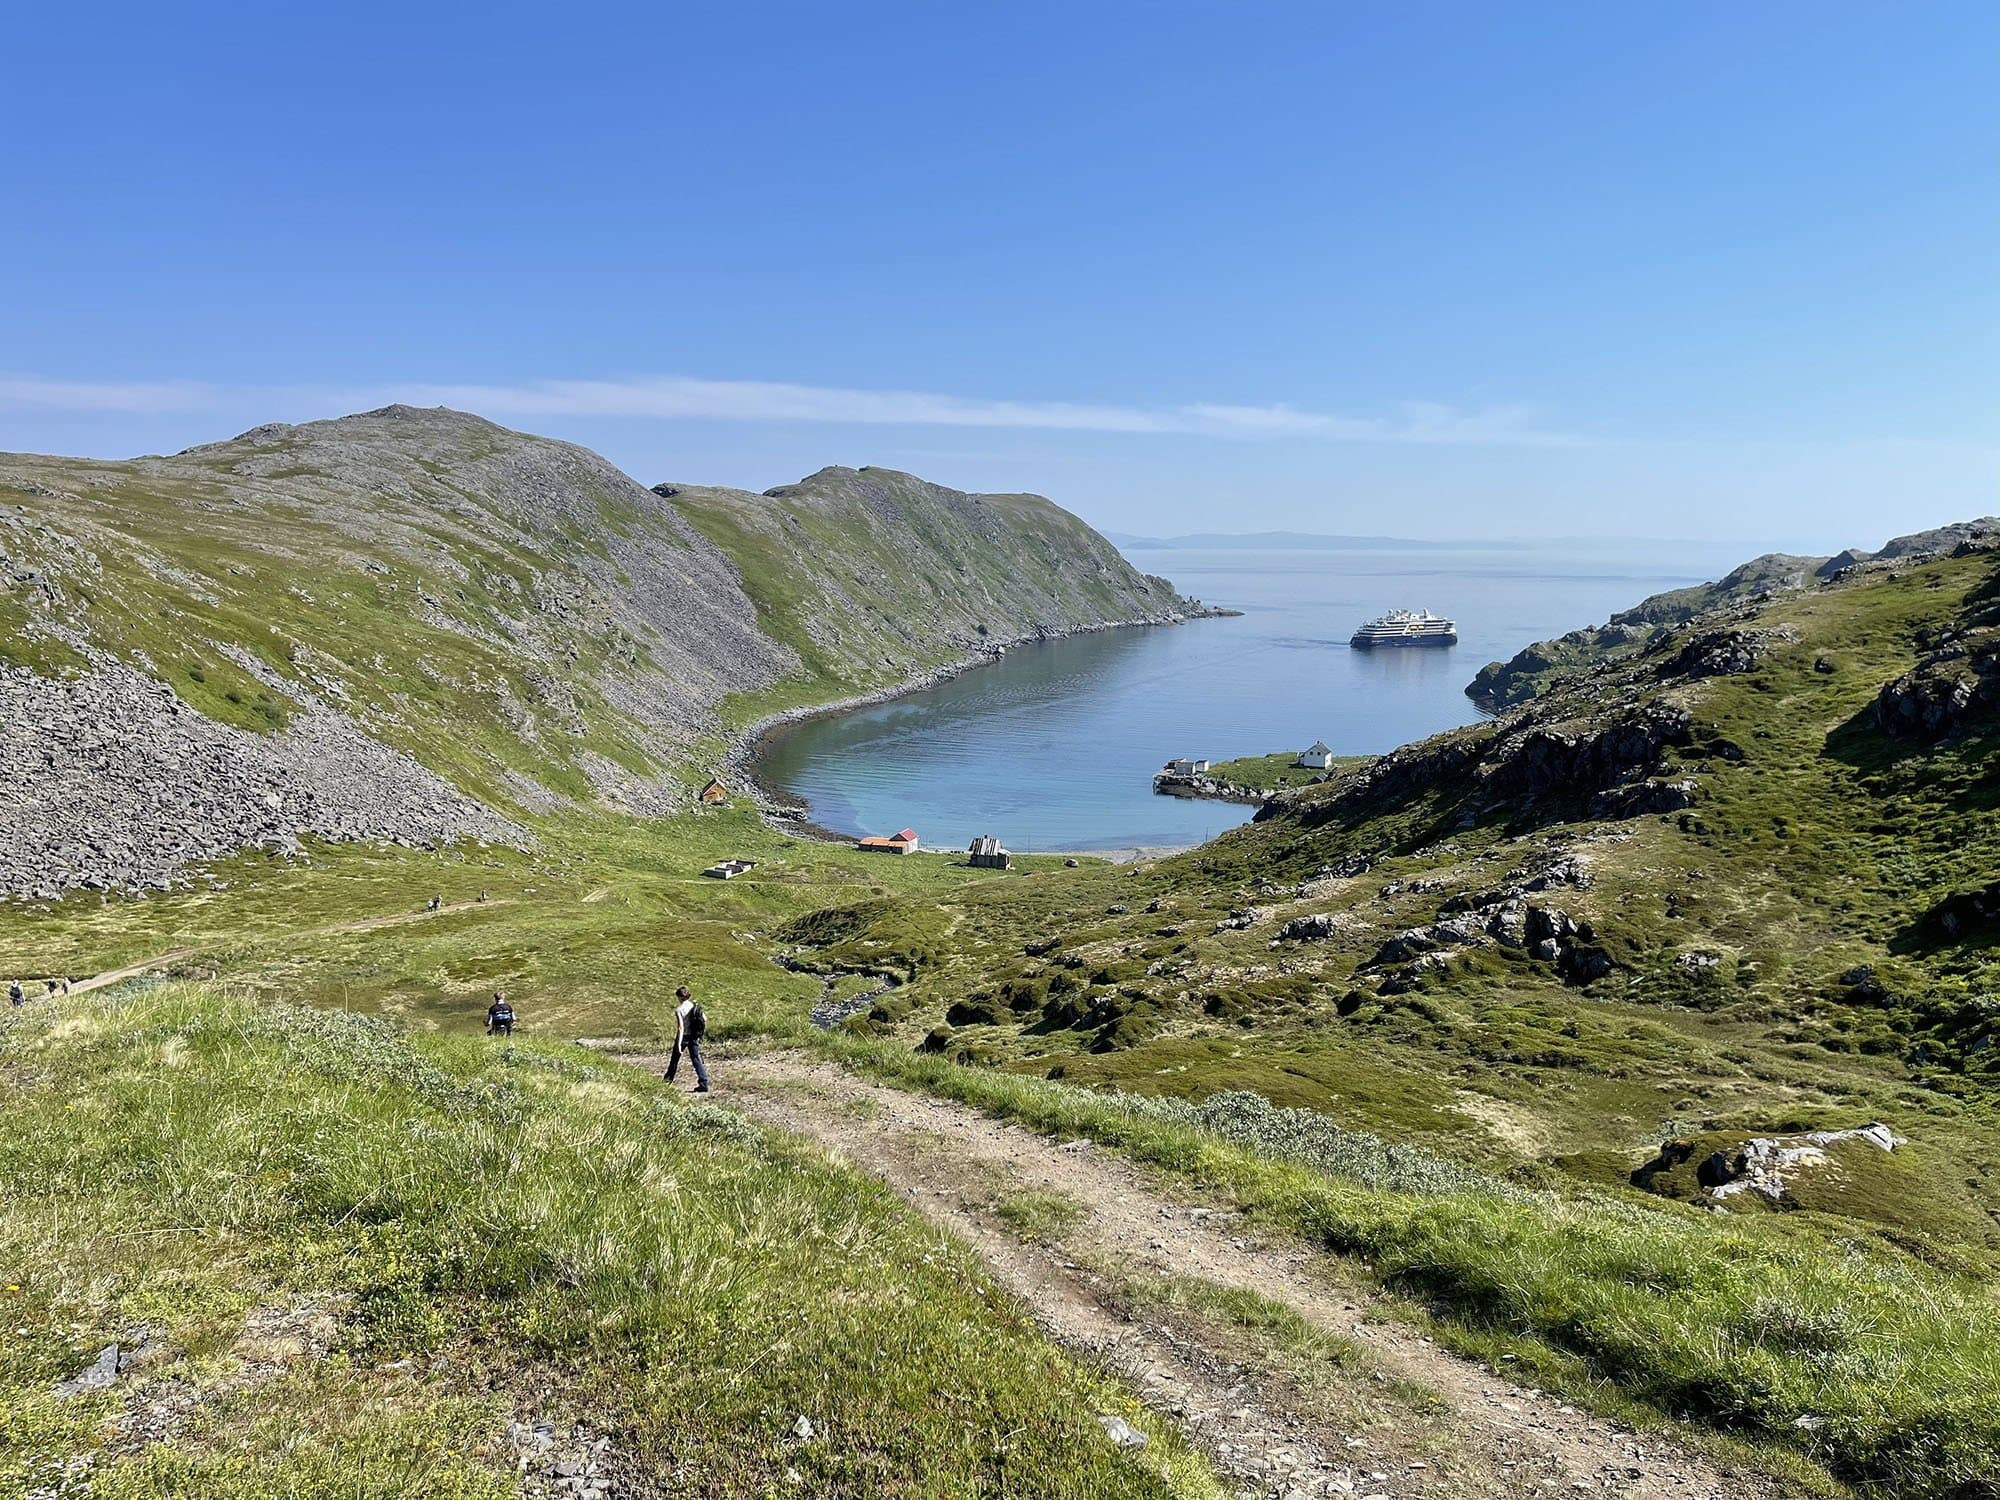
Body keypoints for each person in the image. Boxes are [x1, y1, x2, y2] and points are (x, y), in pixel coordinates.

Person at [666, 985, 710, 1093]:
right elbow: (704, 1018)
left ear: (680, 997)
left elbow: (681, 1028)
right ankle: (703, 1081)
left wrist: (678, 1043)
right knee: (696, 1059)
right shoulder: (695, 1006)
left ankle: (668, 1080)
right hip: (694, 1036)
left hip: (684, 1036)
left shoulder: (679, 1010)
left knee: (674, 1059)